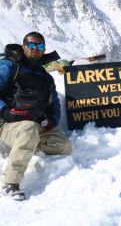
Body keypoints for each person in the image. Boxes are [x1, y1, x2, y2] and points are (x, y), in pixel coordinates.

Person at [0, 32, 72, 201]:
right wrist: (4, 111)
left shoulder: (45, 77)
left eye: (39, 46)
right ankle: (10, 183)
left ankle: (26, 144)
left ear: (44, 49)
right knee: (29, 129)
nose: (35, 49)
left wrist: (51, 122)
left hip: (34, 125)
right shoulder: (10, 67)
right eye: (31, 45)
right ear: (24, 46)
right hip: (6, 124)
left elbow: (54, 103)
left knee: (64, 146)